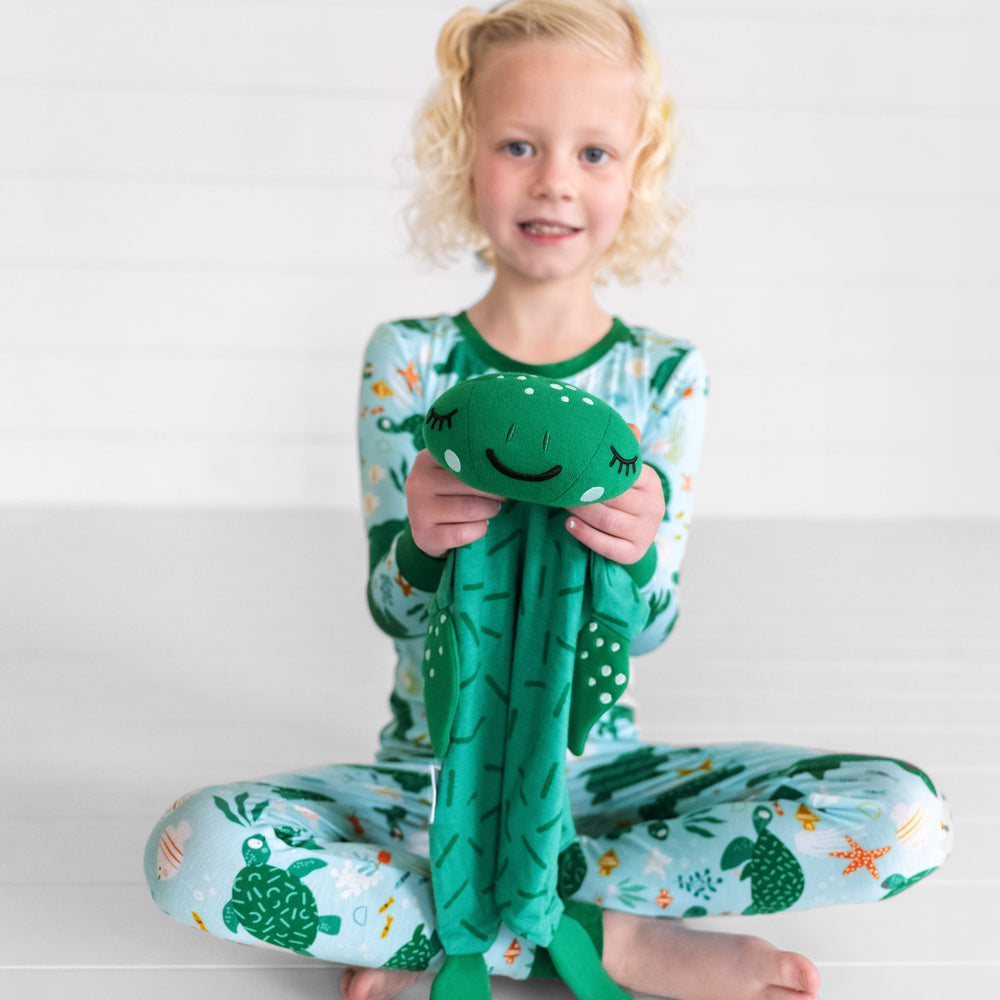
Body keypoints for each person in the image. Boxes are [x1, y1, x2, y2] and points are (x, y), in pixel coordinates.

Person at [145, 3, 952, 999]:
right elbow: (390, 607)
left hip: (603, 778)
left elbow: (652, 628)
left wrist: (639, 551)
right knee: (194, 848)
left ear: (638, 174)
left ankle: (463, 921)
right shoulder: (410, 359)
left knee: (903, 818)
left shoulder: (663, 376)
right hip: (430, 780)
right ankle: (599, 933)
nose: (555, 180)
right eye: (518, 144)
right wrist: (421, 549)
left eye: (595, 152)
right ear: (463, 157)